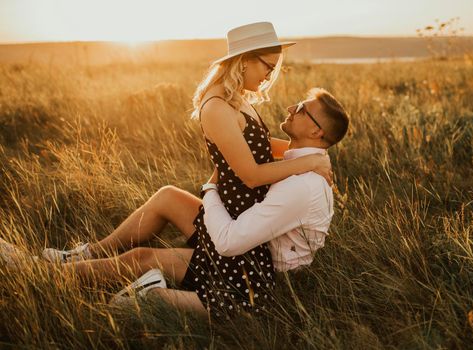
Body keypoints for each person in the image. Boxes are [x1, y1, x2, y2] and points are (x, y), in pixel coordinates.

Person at [13, 22, 332, 319]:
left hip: (239, 219)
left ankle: (78, 258)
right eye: (268, 66)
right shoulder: (218, 107)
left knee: (158, 215)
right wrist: (309, 162)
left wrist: (309, 152)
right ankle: (44, 274)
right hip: (233, 222)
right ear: (245, 60)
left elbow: (260, 142)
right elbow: (250, 175)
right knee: (139, 257)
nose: (270, 75)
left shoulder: (238, 99)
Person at [201, 87, 349, 272]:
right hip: (249, 252)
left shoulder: (300, 185)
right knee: (168, 196)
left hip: (263, 276)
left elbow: (227, 243)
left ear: (315, 131)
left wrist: (209, 190)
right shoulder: (305, 166)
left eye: (302, 108)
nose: (291, 108)